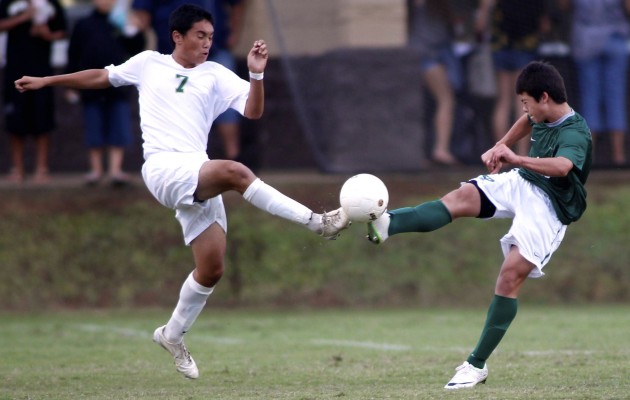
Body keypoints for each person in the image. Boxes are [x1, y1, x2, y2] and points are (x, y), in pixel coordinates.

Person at [15, 4, 350, 379]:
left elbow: (253, 112)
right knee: (236, 172)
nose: (207, 43)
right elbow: (101, 77)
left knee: (211, 270)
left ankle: (172, 335)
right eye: (200, 36)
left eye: (210, 36)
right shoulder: (148, 63)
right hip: (162, 168)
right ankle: (317, 222)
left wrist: (256, 75)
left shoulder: (216, 74)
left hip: (196, 170)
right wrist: (48, 81)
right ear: (177, 36)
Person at [365, 61, 592, 389]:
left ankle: (475, 365)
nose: (524, 108)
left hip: (551, 207)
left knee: (510, 275)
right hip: (523, 182)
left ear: (545, 97)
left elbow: (560, 167)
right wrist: (502, 145)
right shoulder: (542, 112)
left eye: (527, 101)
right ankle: (388, 224)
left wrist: (517, 158)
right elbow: (527, 121)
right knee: (460, 198)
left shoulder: (575, 132)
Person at [132, 0, 246, 161]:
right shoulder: (150, 62)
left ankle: (234, 156)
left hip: (215, 52)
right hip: (171, 56)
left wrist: (234, 32)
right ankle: (172, 158)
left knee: (228, 105)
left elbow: (237, 3)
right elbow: (142, 15)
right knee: (172, 108)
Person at [65, 0, 145, 186]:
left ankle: (115, 170)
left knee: (119, 127)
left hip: (118, 87)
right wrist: (71, 84)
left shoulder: (122, 23)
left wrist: (134, 29)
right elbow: (73, 53)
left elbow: (136, 49)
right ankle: (96, 170)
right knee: (94, 128)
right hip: (90, 87)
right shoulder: (84, 24)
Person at [0, 0, 67, 183]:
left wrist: (47, 35)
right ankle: (17, 169)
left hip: (42, 72)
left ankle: (42, 169)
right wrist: (24, 17)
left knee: (43, 120)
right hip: (14, 70)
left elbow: (63, 31)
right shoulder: (9, 3)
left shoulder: (52, 4)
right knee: (15, 121)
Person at [475, 0, 548, 156]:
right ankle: (521, 155)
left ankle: (501, 152)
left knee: (504, 100)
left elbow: (480, 25)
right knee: (524, 101)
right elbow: (544, 25)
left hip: (501, 46)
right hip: (525, 45)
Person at [565, 0, 630, 166]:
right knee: (615, 97)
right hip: (614, 37)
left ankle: (589, 158)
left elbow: (563, 5)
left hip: (585, 40)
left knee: (589, 98)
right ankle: (618, 157)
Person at [408, 0, 461, 166]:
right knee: (446, 100)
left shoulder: (439, 7)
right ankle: (441, 149)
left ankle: (434, 150)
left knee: (435, 102)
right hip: (427, 55)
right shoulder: (423, 6)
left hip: (434, 54)